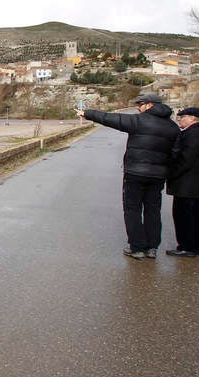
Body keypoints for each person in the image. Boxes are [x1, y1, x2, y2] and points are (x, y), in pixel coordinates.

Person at [75, 93, 179, 260]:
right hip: (158, 176)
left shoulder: (139, 121)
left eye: (141, 104)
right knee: (153, 210)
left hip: (135, 173)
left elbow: (111, 119)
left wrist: (87, 114)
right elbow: (176, 153)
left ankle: (137, 247)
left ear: (150, 105)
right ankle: (152, 248)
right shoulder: (173, 127)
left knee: (133, 209)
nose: (138, 107)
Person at [165, 107, 199, 257]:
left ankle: (186, 247)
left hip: (186, 183)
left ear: (193, 118)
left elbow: (185, 160)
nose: (179, 119)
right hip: (196, 183)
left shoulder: (192, 134)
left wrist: (170, 173)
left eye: (182, 117)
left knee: (183, 215)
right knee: (196, 215)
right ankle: (198, 246)